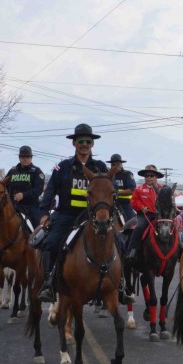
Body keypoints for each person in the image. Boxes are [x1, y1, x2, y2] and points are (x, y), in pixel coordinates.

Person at [37, 124, 109, 303]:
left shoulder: (100, 167)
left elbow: (108, 190)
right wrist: (45, 212)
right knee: (51, 244)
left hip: (92, 218)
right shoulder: (63, 167)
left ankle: (121, 284)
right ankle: (48, 284)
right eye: (81, 141)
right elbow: (50, 190)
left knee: (120, 242)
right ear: (74, 143)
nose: (84, 144)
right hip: (66, 216)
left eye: (88, 141)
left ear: (92, 144)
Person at [0, 145, 45, 265]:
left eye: (27, 157)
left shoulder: (36, 172)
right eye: (23, 157)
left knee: (38, 227)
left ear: (31, 158)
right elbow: (3, 187)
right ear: (19, 157)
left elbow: (39, 190)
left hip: (30, 206)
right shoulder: (13, 171)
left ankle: (40, 253)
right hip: (13, 206)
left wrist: (24, 195)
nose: (25, 159)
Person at [109, 154, 137, 222]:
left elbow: (132, 190)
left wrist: (117, 193)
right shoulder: (108, 175)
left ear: (121, 164)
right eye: (113, 165)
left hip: (125, 204)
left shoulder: (127, 174)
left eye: (118, 164)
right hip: (110, 204)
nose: (116, 167)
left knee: (132, 222)